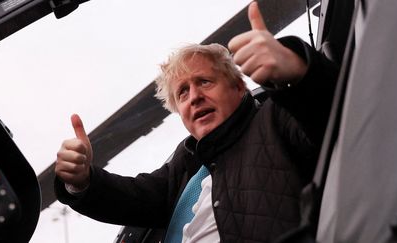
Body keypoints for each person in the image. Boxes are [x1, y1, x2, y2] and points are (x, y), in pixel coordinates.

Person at [54, 2, 338, 242]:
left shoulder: (276, 119)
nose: (194, 97)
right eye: (183, 93)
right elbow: (132, 198)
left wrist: (301, 74)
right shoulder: (187, 163)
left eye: (204, 82)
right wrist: (82, 181)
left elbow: (331, 122)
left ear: (239, 87)